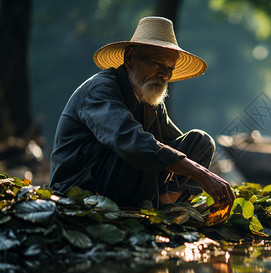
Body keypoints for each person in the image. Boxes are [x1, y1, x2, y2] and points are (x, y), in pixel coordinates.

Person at [49, 16, 235, 209]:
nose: (165, 75)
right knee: (139, 150)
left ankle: (166, 207)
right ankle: (150, 206)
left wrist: (201, 168)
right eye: (157, 64)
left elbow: (175, 148)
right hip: (81, 192)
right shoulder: (100, 90)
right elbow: (129, 140)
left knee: (201, 142)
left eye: (169, 68)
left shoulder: (148, 96)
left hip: (124, 185)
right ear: (130, 58)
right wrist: (199, 173)